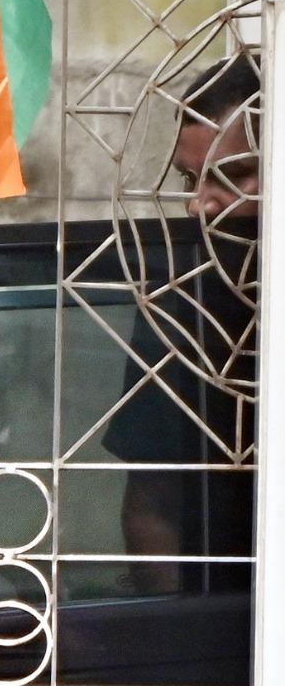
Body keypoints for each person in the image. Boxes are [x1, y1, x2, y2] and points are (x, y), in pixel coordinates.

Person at [105, 53, 259, 594]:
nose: (202, 206)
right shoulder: (178, 302)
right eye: (192, 181)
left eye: (233, 176)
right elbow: (151, 506)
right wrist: (174, 644)